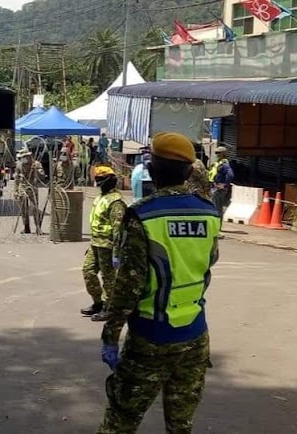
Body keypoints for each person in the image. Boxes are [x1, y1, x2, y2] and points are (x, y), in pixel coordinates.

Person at [97, 132, 221, 434]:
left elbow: (128, 286)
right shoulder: (209, 212)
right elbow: (210, 260)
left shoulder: (142, 215)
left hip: (151, 337)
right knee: (180, 423)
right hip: (194, 334)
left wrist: (111, 335)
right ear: (190, 171)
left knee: (121, 420)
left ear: (150, 169)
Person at [81, 166, 127, 322]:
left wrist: (116, 253)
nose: (99, 183)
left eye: (101, 180)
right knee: (88, 271)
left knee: (108, 278)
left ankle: (109, 308)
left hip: (108, 245)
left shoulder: (116, 202)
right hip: (95, 243)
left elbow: (118, 229)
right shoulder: (100, 197)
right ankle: (98, 303)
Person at [14, 147, 45, 234]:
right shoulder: (19, 165)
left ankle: (38, 227)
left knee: (34, 208)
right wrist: (15, 191)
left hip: (32, 188)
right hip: (22, 188)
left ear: (29, 156)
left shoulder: (36, 164)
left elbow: (42, 176)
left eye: (25, 156)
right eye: (22, 157)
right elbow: (16, 179)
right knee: (23, 209)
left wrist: (36, 171)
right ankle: (26, 227)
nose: (23, 159)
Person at [208, 146, 234, 220]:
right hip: (214, 187)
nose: (216, 154)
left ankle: (217, 225)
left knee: (217, 207)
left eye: (218, 153)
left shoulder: (224, 164)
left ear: (223, 154)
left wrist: (224, 185)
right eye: (216, 152)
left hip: (219, 189)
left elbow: (230, 175)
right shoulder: (218, 163)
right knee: (214, 206)